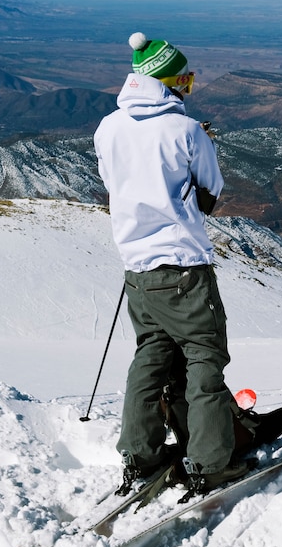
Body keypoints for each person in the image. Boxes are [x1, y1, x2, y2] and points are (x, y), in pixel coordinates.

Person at [94, 32, 247, 496]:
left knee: (151, 359)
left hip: (136, 269)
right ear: (164, 79)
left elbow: (115, 183)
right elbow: (210, 195)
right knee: (204, 358)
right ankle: (209, 461)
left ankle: (141, 454)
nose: (186, 85)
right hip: (183, 266)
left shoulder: (108, 127)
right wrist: (202, 147)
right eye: (183, 77)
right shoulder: (185, 131)